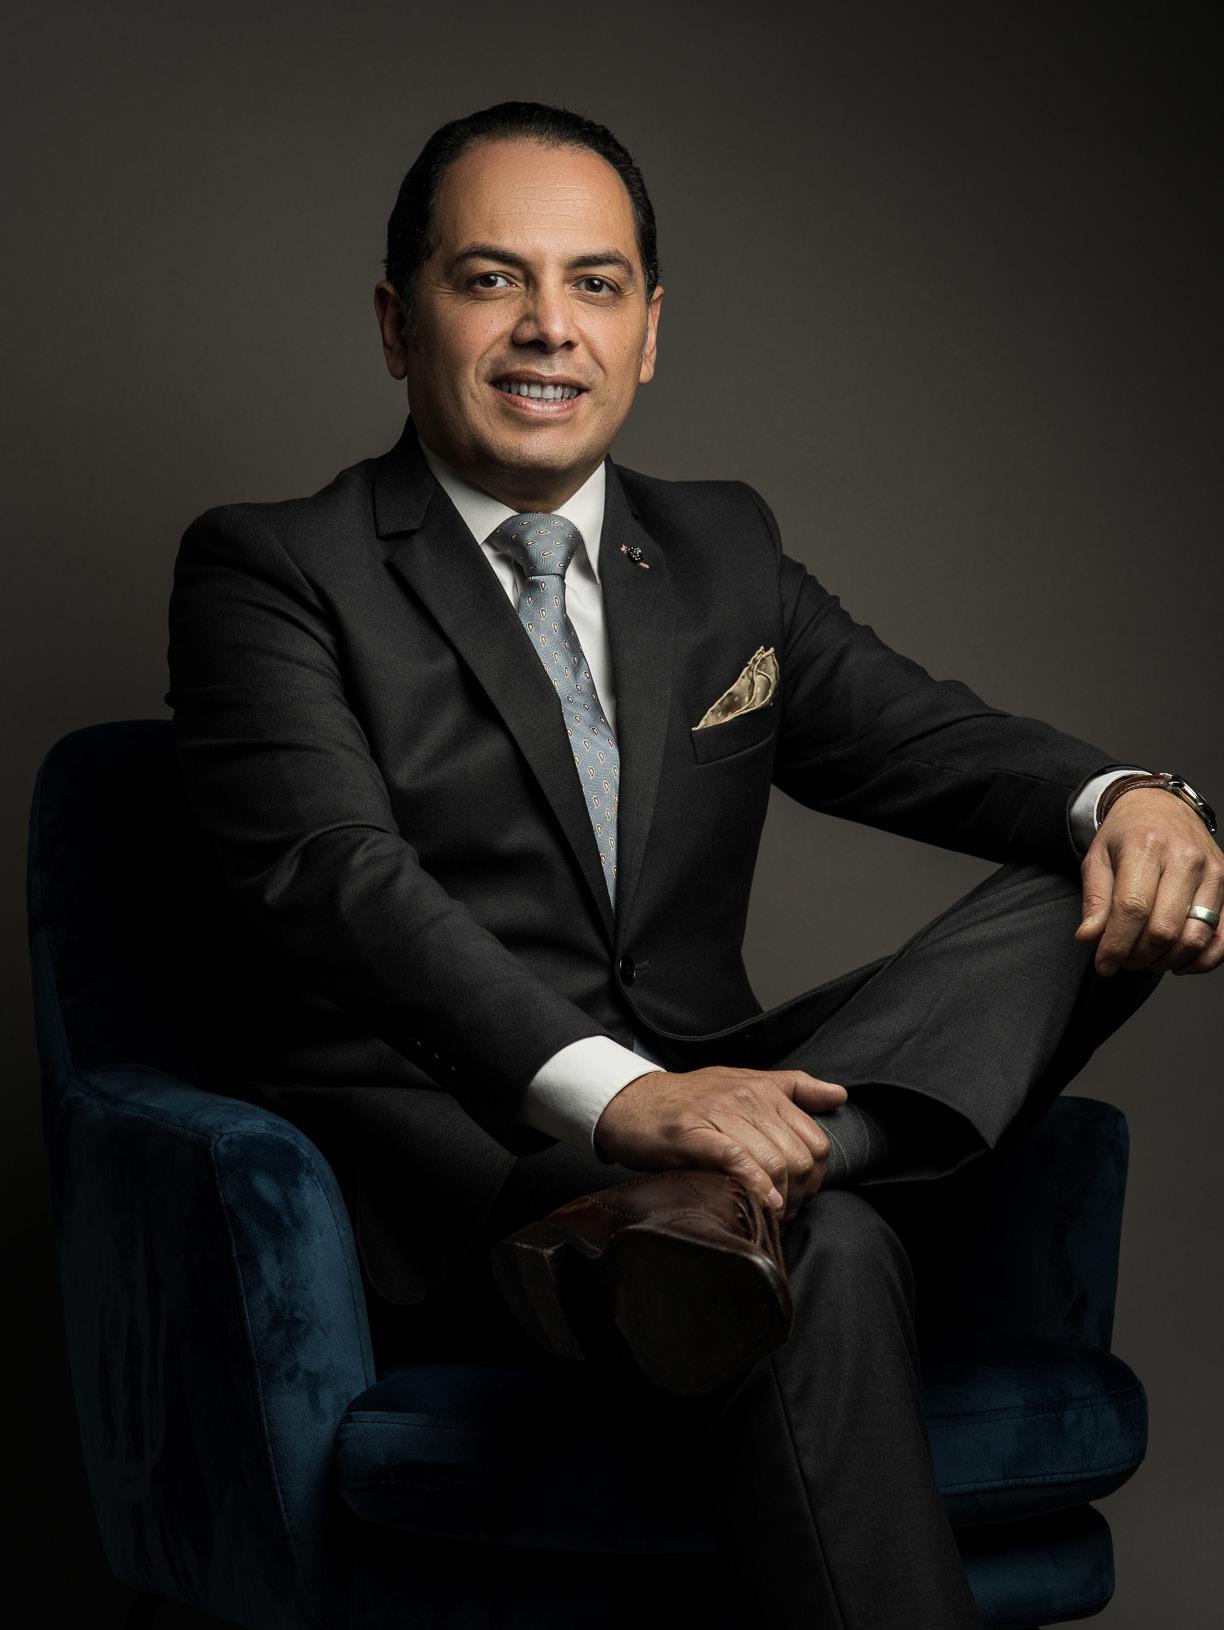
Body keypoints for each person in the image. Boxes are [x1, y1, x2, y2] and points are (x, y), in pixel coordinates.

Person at [164, 99, 1223, 1628]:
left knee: (1080, 871)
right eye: (492, 278)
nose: (550, 327)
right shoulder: (274, 568)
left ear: (649, 330)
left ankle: (735, 1190)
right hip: (482, 1178)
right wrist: (622, 1099)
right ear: (399, 322)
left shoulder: (723, 548)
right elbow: (338, 881)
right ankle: (733, 1195)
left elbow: (927, 737)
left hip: (726, 1097)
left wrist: (1135, 795)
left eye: (595, 284)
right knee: (829, 1252)